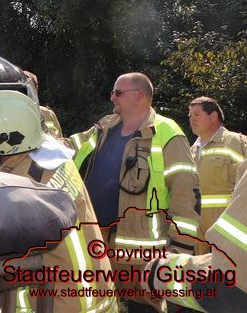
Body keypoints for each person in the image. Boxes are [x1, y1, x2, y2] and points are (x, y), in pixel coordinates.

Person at [0, 90, 117, 312]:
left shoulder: (23, 187)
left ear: (7, 141)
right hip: (96, 295)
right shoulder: (48, 155)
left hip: (60, 303)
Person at [70, 72, 200, 312]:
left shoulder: (167, 132)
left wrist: (179, 252)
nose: (112, 98)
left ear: (139, 95)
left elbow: (186, 196)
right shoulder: (105, 126)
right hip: (98, 242)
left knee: (145, 308)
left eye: (118, 92)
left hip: (144, 253)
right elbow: (68, 147)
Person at [142, 163, 247, 312]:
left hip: (217, 262)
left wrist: (156, 271)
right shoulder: (194, 150)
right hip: (208, 246)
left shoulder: (233, 143)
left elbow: (229, 280)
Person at [188, 96, 247, 253]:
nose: (191, 119)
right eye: (190, 116)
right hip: (197, 228)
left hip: (228, 226)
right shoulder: (191, 151)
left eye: (197, 115)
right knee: (199, 273)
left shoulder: (238, 142)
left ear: (213, 116)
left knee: (227, 274)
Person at [23, 70, 64, 138]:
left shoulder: (47, 113)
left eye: (30, 88)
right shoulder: (7, 114)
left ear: (36, 89)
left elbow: (57, 138)